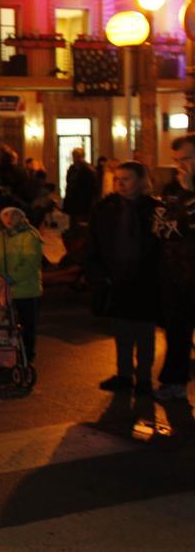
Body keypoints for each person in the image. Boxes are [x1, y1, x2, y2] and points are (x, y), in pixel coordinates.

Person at [84, 161, 162, 396]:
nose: (121, 184)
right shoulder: (105, 208)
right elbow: (93, 244)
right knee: (122, 330)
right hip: (115, 278)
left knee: (145, 333)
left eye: (126, 179)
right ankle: (124, 374)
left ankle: (144, 378)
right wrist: (97, 274)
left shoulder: (153, 209)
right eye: (117, 179)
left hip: (145, 279)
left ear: (140, 181)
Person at [154, 134, 195, 401]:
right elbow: (163, 228)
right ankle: (173, 382)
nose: (182, 165)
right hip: (178, 271)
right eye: (177, 160)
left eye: (187, 159)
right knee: (177, 329)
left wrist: (190, 194)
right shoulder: (171, 189)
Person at [0, 207, 44, 363]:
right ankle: (9, 354)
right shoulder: (1, 236)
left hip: (27, 290)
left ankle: (26, 356)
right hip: (5, 290)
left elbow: (30, 263)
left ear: (21, 216)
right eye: (6, 215)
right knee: (6, 325)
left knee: (27, 326)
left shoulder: (30, 236)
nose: (9, 218)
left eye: (14, 214)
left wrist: (13, 277)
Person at [64, 147, 99, 225]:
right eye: (74, 156)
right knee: (74, 221)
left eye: (76, 156)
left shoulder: (88, 169)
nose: (74, 158)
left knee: (81, 222)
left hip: (83, 200)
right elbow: (69, 182)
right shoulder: (72, 168)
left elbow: (92, 187)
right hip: (74, 199)